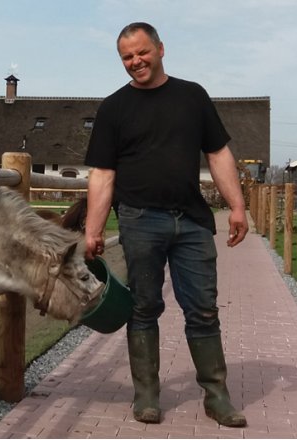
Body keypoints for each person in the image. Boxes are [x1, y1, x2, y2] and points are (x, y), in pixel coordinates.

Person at [83, 22, 249, 427]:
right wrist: (92, 229)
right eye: (126, 57)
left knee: (204, 310)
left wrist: (238, 206)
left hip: (192, 222)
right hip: (140, 221)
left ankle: (217, 396)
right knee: (143, 308)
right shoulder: (113, 108)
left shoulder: (192, 96)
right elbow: (102, 174)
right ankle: (147, 396)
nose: (135, 62)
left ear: (160, 49)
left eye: (141, 52)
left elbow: (219, 154)